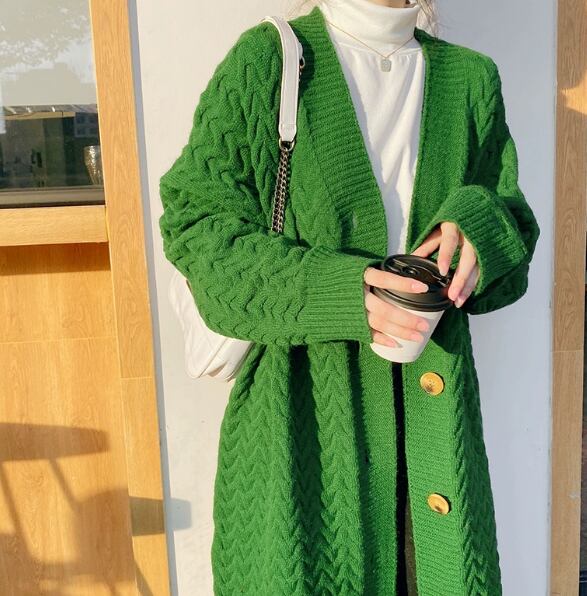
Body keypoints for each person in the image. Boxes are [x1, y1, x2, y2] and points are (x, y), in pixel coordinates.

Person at [158, 0, 541, 594]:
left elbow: (512, 234)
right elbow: (199, 229)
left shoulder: (470, 79)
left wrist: (478, 229)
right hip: (303, 434)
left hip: (436, 440)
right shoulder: (271, 61)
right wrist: (345, 293)